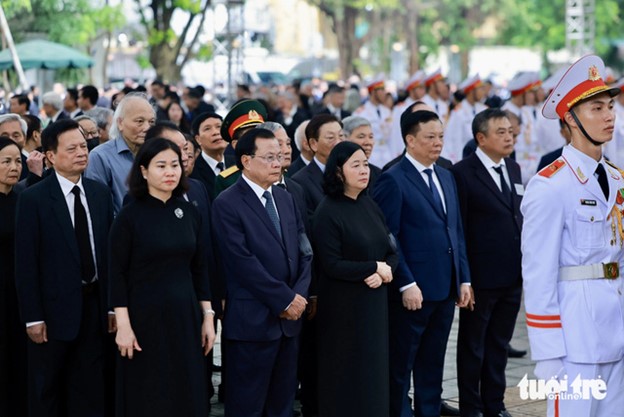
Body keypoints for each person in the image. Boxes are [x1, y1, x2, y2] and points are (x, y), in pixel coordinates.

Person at [521, 55, 624, 417]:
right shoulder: (550, 185)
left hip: (616, 325)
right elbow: (537, 274)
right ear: (570, 118)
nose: (609, 115)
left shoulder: (615, 178)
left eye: (610, 106)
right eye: (597, 108)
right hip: (574, 335)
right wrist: (548, 351)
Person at [373, 110, 471, 417]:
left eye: (440, 136)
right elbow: (389, 238)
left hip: (445, 287)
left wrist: (464, 278)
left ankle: (428, 411)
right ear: (410, 140)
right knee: (402, 365)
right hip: (412, 291)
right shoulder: (393, 179)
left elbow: (455, 231)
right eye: (430, 137)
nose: (438, 143)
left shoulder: (445, 174)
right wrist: (406, 282)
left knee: (433, 362)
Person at [14, 119, 114, 417]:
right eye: (71, 149)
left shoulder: (98, 193)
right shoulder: (33, 199)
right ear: (50, 156)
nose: (81, 153)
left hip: (95, 305)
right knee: (48, 389)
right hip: (52, 312)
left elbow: (107, 255)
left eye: (84, 146)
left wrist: (111, 306)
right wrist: (32, 317)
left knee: (90, 388)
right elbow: (26, 262)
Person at [109, 137, 215, 417]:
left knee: (186, 388)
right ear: (143, 171)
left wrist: (207, 317)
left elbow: (200, 268)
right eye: (161, 166)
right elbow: (116, 273)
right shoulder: (129, 217)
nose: (170, 172)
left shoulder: (189, 212)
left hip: (185, 315)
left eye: (175, 165)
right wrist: (123, 325)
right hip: (144, 318)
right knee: (149, 392)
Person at [212, 128, 312, 417]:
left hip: (290, 321)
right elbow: (242, 262)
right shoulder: (227, 203)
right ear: (245, 160)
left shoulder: (285, 197)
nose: (277, 164)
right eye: (269, 157)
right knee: (248, 405)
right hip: (253, 322)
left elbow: (305, 250)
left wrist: (299, 297)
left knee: (282, 405)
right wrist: (284, 300)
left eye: (279, 157)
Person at [312, 141, 398, 417]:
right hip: (343, 310)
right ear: (338, 172)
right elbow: (331, 263)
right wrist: (372, 268)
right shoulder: (327, 211)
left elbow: (391, 250)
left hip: (374, 306)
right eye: (355, 165)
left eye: (365, 164)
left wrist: (384, 271)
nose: (364, 170)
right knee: (347, 377)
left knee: (374, 375)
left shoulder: (369, 204)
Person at [451, 109, 523, 417]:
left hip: (511, 274)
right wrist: (464, 278)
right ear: (481, 138)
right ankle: (471, 406)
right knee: (473, 346)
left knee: (499, 345)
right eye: (501, 132)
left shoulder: (514, 168)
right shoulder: (463, 172)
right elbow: (459, 228)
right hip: (480, 277)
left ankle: (495, 403)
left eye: (510, 131)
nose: (509, 137)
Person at [85, 93, 156, 214]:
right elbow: (98, 208)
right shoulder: (101, 156)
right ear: (120, 123)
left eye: (151, 122)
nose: (147, 127)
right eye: (140, 121)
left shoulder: (157, 153)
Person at [0, 137, 27, 416]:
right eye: (6, 161)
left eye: (18, 161)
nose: (14, 167)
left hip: (19, 291)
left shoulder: (25, 199)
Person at [190, 112, 234, 201]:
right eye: (207, 129)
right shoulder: (193, 172)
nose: (216, 132)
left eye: (219, 127)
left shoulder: (238, 163)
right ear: (198, 139)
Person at [342, 115, 382, 189]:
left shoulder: (378, 174)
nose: (368, 142)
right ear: (344, 139)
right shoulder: (336, 173)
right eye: (361, 137)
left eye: (371, 137)